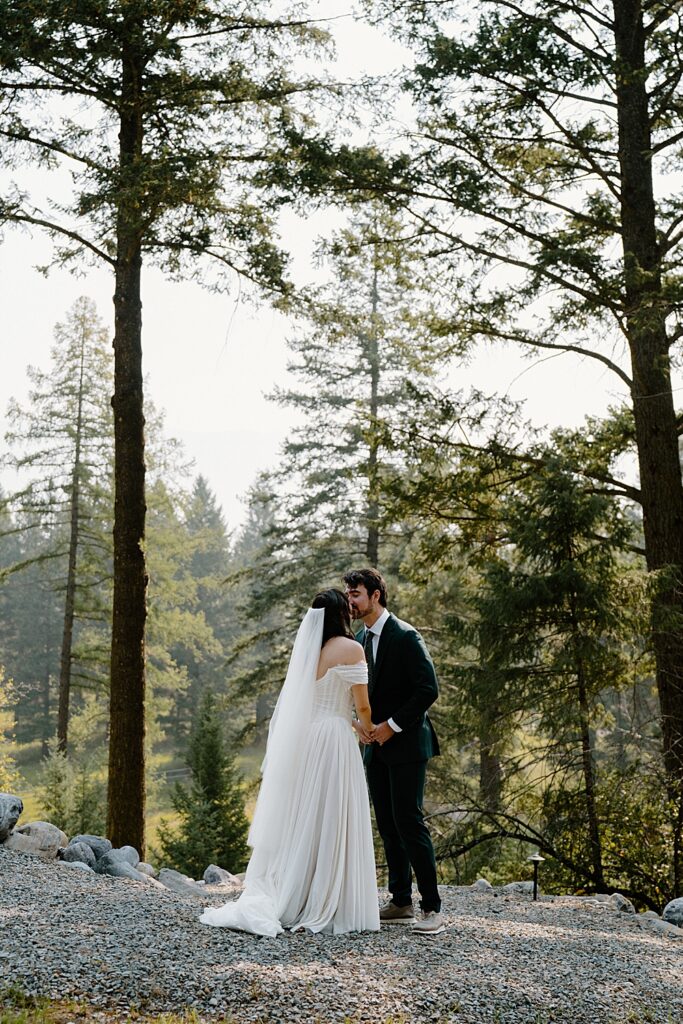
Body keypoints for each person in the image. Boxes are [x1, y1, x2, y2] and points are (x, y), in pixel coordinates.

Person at [200, 588, 380, 937]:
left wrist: (353, 723)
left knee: (309, 815)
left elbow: (315, 703)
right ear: (342, 614)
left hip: (312, 737)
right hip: (335, 740)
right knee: (332, 814)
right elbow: (363, 708)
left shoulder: (309, 652)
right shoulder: (352, 648)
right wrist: (369, 730)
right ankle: (326, 896)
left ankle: (299, 887)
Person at [343, 567, 444, 936]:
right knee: (387, 825)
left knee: (409, 822)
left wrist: (391, 727)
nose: (351, 601)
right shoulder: (359, 639)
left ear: (375, 596)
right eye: (349, 594)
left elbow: (427, 689)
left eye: (356, 594)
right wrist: (363, 727)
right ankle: (400, 901)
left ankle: (432, 908)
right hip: (375, 748)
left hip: (407, 744)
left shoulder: (405, 635)